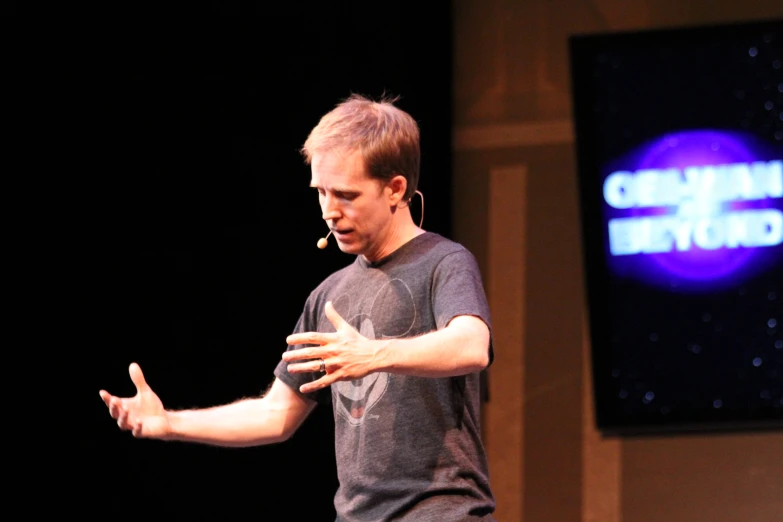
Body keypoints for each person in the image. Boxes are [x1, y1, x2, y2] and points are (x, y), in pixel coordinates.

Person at [99, 93, 497, 521]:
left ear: (395, 188)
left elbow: (471, 345)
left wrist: (372, 354)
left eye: (346, 194)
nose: (329, 211)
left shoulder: (444, 263)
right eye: (321, 192)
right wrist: (168, 424)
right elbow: (277, 414)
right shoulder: (329, 294)